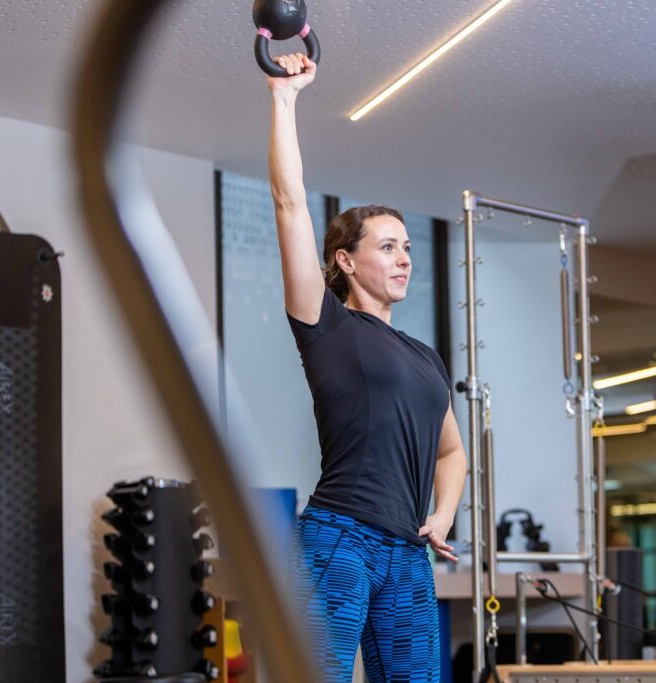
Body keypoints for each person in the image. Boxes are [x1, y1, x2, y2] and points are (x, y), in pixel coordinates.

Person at [267, 52, 468, 682]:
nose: (405, 259)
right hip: (338, 537)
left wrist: (443, 515)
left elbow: (451, 453)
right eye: (387, 247)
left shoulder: (425, 357)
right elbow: (288, 204)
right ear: (346, 261)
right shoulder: (327, 326)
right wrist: (285, 98)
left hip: (408, 551)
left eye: (407, 248)